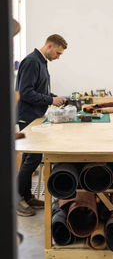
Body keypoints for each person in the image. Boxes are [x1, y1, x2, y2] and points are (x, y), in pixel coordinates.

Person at [16, 34, 67, 216]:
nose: (58, 57)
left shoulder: (41, 62)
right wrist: (50, 99)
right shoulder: (31, 61)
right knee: (31, 159)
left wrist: (57, 98)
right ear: (50, 45)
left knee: (34, 158)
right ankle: (17, 200)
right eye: (58, 53)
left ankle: (27, 197)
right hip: (27, 116)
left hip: (35, 115)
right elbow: (26, 92)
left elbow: (40, 91)